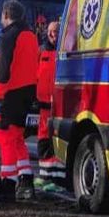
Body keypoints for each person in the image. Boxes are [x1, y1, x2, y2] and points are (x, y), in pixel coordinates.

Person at [0, 0, 39, 201]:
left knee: (5, 137)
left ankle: (8, 184)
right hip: (27, 93)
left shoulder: (9, 36)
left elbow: (3, 68)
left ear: (6, 15)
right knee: (18, 138)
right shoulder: (31, 36)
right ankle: (26, 178)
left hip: (10, 93)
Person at [34, 21, 65, 191]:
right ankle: (45, 176)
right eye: (51, 31)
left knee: (58, 140)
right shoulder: (41, 51)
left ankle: (58, 180)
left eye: (57, 31)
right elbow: (34, 74)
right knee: (44, 139)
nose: (53, 34)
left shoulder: (65, 51)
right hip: (44, 105)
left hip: (60, 105)